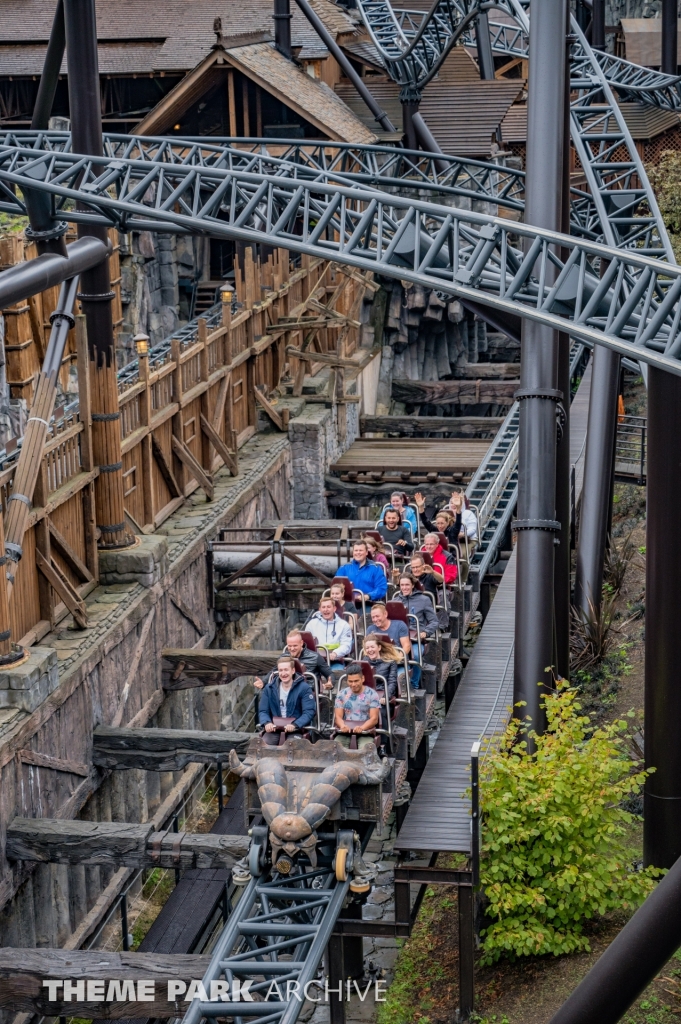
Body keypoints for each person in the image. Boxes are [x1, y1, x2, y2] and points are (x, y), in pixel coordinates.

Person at [257, 655, 317, 744]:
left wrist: (295, 724)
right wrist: (267, 723)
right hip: (275, 728)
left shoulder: (304, 688)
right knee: (264, 745)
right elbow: (263, 711)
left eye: (286, 670)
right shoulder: (269, 689)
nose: (283, 673)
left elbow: (309, 712)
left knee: (293, 746)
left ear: (293, 671)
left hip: (295, 729)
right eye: (280, 670)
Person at [334, 663, 381, 750]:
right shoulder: (341, 694)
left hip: (365, 732)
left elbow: (374, 719)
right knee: (336, 747)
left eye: (356, 681)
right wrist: (342, 725)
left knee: (365, 749)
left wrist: (362, 728)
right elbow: (338, 716)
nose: (353, 684)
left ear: (362, 679)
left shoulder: (372, 694)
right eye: (350, 681)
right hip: (345, 732)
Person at [305, 597, 353, 662]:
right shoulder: (311, 624)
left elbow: (346, 645)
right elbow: (306, 644)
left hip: (336, 660)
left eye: (328, 607)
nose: (326, 609)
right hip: (315, 660)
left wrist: (336, 653)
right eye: (323, 607)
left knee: (337, 671)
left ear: (334, 609)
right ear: (320, 609)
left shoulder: (344, 625)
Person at [362, 635, 399, 712]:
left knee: (380, 711)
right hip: (368, 695)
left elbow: (392, 682)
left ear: (379, 647)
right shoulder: (365, 661)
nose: (370, 650)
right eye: (367, 648)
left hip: (383, 694)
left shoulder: (390, 662)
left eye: (372, 647)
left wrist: (386, 697)